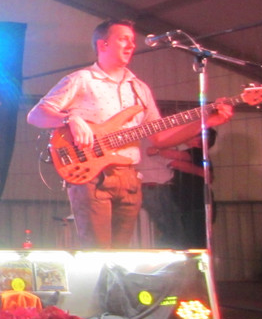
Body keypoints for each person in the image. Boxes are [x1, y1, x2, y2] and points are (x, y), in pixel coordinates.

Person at [27, 19, 232, 248]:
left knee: (121, 254)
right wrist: (69, 119)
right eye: (123, 39)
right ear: (103, 44)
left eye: (132, 40)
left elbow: (160, 137)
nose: (131, 45)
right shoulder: (81, 80)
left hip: (129, 177)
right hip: (92, 175)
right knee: (98, 252)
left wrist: (206, 121)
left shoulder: (139, 88)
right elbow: (36, 115)